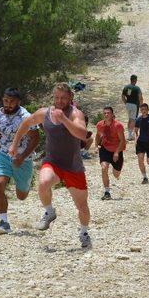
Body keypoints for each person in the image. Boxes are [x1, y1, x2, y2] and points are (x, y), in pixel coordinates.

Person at [9, 83, 92, 248]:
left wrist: (64, 119)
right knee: (43, 183)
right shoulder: (44, 113)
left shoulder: (76, 114)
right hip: (53, 162)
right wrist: (15, 143)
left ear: (70, 98)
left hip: (73, 166)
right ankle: (49, 211)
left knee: (82, 206)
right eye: (57, 97)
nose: (59, 101)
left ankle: (84, 232)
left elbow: (83, 134)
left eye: (63, 98)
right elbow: (26, 124)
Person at [0, 88, 40, 235]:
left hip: (23, 159)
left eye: (11, 102)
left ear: (18, 102)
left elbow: (36, 138)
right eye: (5, 101)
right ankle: (4, 223)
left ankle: (25, 184)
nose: (8, 104)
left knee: (22, 196)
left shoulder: (25, 118)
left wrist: (22, 157)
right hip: (3, 154)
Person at [96, 106, 126, 200]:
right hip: (105, 149)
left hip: (117, 150)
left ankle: (117, 170)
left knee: (116, 174)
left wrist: (117, 152)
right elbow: (97, 135)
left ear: (112, 115)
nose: (106, 114)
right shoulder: (100, 125)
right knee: (104, 168)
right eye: (104, 113)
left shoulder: (118, 125)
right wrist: (96, 146)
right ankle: (107, 192)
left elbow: (122, 141)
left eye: (108, 113)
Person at [122, 74, 143, 141]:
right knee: (133, 119)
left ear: (130, 79)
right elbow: (140, 98)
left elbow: (123, 97)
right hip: (134, 105)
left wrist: (126, 103)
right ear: (135, 80)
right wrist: (141, 106)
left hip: (128, 104)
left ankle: (129, 134)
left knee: (130, 119)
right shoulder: (137, 88)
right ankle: (131, 135)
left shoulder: (127, 87)